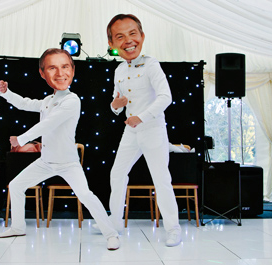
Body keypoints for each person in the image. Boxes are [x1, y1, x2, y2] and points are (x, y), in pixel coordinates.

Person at [0, 48, 121, 250]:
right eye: (52, 68)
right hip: (46, 161)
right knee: (16, 186)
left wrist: (21, 139)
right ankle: (18, 227)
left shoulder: (72, 100)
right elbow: (25, 104)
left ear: (72, 70)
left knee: (86, 196)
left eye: (64, 67)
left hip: (68, 163)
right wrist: (6, 93)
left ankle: (112, 234)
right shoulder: (47, 101)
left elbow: (49, 124)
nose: (60, 73)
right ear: (43, 73)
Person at [103, 14, 182, 247]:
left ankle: (173, 228)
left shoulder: (151, 64)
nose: (128, 40)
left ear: (142, 36)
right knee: (117, 174)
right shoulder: (118, 70)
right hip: (131, 131)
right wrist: (115, 107)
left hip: (152, 129)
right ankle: (114, 222)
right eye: (120, 36)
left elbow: (166, 97)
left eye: (132, 33)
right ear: (112, 44)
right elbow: (116, 102)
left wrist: (142, 116)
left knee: (161, 179)